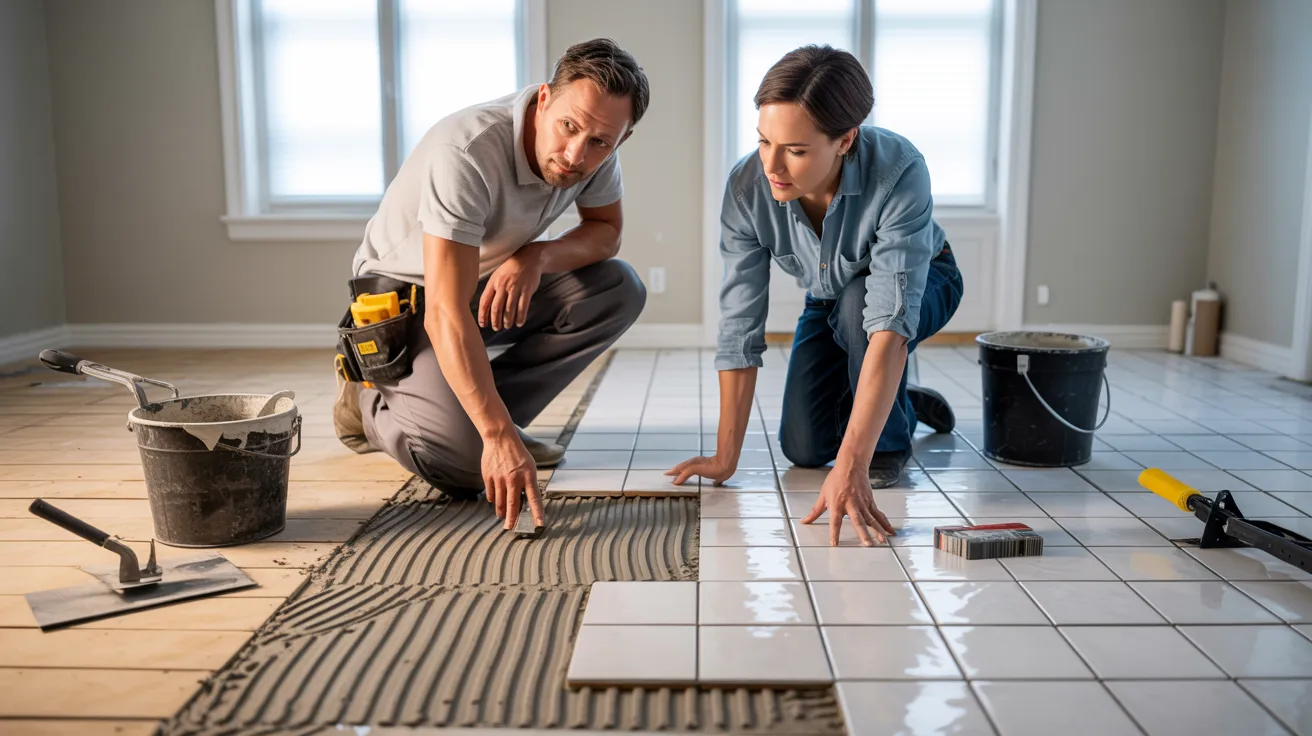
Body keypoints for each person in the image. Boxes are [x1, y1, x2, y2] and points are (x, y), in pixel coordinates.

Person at [334, 39, 650, 532]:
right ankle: (370, 403)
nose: (574, 154)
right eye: (568, 127)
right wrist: (496, 435)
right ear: (544, 99)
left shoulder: (597, 145)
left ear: (621, 139)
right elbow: (444, 309)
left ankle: (479, 419)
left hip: (483, 281)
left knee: (617, 289)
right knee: (463, 469)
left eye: (599, 142)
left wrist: (537, 254)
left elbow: (606, 234)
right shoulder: (467, 151)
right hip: (406, 301)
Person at [668, 45, 964, 546]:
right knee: (803, 447)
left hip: (922, 282)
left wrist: (852, 464)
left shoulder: (899, 170)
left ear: (846, 139)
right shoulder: (747, 187)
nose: (772, 165)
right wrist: (725, 456)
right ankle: (898, 398)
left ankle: (889, 437)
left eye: (796, 151)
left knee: (860, 315)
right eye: (764, 141)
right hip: (829, 297)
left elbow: (889, 323)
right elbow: (741, 323)